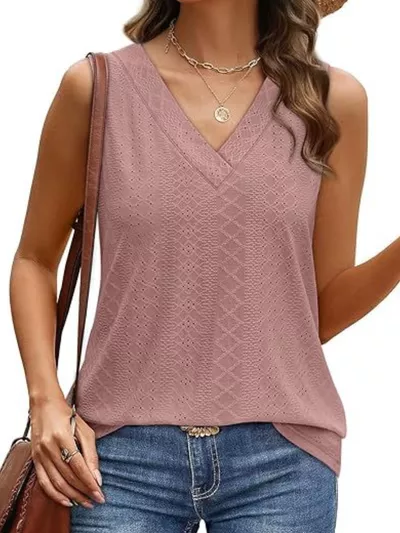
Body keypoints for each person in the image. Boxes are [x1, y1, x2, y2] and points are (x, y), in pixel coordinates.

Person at [8, 1, 400, 532]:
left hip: (282, 463)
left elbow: (320, 311)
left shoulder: (332, 101)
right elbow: (34, 259)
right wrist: (46, 401)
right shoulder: (98, 89)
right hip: (113, 462)